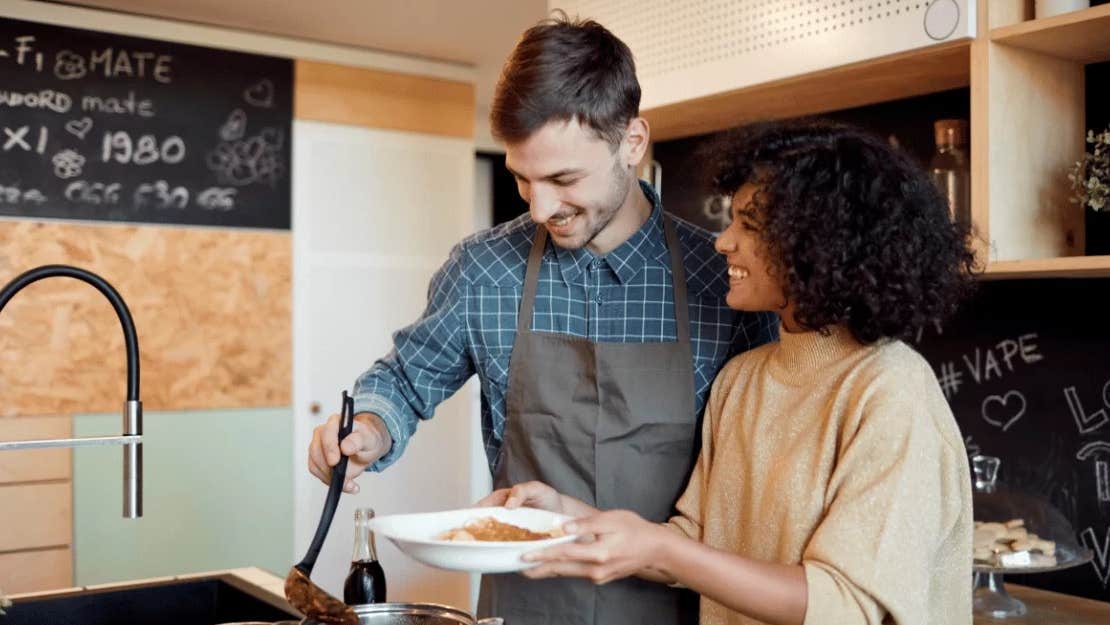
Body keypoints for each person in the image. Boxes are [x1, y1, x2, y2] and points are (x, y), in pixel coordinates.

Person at [306, 12, 778, 625]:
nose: (541, 208)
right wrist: (369, 428)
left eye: (563, 178)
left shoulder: (726, 282)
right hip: (524, 607)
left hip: (679, 606)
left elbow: (752, 482)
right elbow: (403, 379)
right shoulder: (484, 269)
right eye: (523, 180)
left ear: (631, 144)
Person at [486, 119, 979, 625]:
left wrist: (660, 548)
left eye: (751, 225)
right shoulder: (744, 378)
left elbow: (846, 605)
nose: (724, 242)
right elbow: (697, 546)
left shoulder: (889, 391)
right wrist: (566, 515)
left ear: (822, 245)